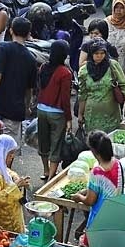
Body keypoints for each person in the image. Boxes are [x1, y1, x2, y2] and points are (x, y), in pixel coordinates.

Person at [0, 17, 37, 139]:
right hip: (15, 111)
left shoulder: (4, 48)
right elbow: (29, 89)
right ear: (28, 34)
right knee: (8, 148)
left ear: (11, 31)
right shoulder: (31, 59)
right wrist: (27, 106)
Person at [72, 131, 124, 236]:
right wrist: (87, 190)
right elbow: (107, 187)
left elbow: (90, 201)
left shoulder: (97, 172)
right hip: (116, 214)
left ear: (94, 151)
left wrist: (78, 197)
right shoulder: (117, 163)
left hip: (100, 219)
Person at [78, 38, 125, 133]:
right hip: (91, 116)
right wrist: (80, 114)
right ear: (91, 54)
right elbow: (83, 94)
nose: (99, 56)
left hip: (111, 115)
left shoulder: (113, 66)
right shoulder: (84, 71)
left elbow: (124, 86)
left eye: (102, 53)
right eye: (96, 54)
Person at [36, 39, 72, 180]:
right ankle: (52, 176)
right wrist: (69, 119)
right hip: (57, 113)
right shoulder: (65, 73)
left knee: (43, 142)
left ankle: (45, 171)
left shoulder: (43, 67)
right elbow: (65, 99)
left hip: (41, 109)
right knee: (56, 144)